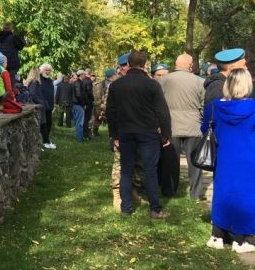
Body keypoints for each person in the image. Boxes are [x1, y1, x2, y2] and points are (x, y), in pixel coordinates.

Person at [106, 51, 172, 219]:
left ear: (128, 63)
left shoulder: (116, 85)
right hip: (148, 132)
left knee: (126, 170)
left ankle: (126, 207)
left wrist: (114, 135)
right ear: (144, 65)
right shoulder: (151, 85)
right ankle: (155, 209)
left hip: (125, 132)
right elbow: (162, 112)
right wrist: (166, 134)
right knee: (150, 170)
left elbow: (111, 112)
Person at [203, 68, 255, 253]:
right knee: (248, 195)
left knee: (222, 192)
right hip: (249, 158)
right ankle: (244, 239)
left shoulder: (215, 107)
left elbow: (204, 129)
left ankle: (218, 234)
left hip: (223, 157)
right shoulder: (253, 108)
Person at [158, 54, 205, 200]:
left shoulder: (163, 80)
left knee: (170, 161)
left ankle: (169, 190)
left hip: (171, 126)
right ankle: (196, 193)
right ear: (190, 66)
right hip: (193, 125)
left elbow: (158, 105)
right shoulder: (200, 81)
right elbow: (204, 105)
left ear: (176, 64)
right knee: (195, 162)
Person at [26, 68, 48, 142]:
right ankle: (45, 142)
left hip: (37, 105)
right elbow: (33, 95)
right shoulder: (34, 83)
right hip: (37, 106)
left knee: (40, 125)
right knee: (40, 125)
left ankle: (44, 141)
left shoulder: (32, 82)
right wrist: (41, 102)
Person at [38, 63, 56, 148]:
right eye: (46, 70)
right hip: (42, 106)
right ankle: (44, 141)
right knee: (43, 125)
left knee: (49, 123)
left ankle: (47, 139)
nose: (48, 72)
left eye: (49, 70)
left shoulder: (50, 81)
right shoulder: (39, 80)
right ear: (42, 70)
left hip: (49, 106)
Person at [71, 70, 88, 142]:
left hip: (76, 104)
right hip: (78, 104)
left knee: (79, 122)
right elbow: (79, 95)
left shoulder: (77, 83)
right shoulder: (78, 83)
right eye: (84, 74)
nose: (85, 75)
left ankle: (80, 137)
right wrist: (83, 104)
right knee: (80, 122)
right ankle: (79, 139)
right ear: (81, 75)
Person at [82, 68, 95, 140]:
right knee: (87, 119)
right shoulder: (89, 81)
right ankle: (85, 135)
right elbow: (89, 92)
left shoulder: (82, 80)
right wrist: (92, 99)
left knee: (84, 119)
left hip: (83, 102)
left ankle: (84, 134)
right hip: (88, 102)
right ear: (89, 73)